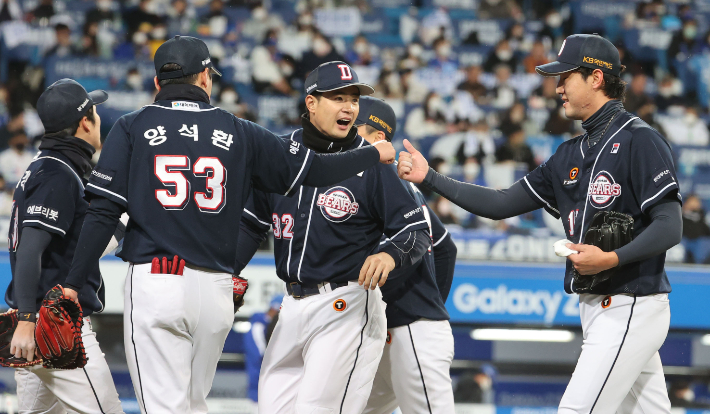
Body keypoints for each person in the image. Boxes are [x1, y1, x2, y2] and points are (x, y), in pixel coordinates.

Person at [64, 38, 396, 414]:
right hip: (215, 291)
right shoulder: (240, 130)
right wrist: (371, 153)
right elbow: (316, 169)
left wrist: (74, 283)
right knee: (194, 404)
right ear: (205, 78)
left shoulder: (131, 126)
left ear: (158, 83)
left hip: (157, 282)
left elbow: (103, 211)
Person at [398, 34, 682, 414]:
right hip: (598, 306)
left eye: (566, 77)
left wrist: (611, 259)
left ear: (596, 78)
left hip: (631, 301)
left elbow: (670, 224)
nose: (557, 87)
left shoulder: (639, 140)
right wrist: (429, 177)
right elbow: (500, 204)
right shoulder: (568, 153)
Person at [235, 61, 430, 414]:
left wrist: (390, 254)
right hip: (290, 306)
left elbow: (415, 230)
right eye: (337, 97)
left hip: (346, 303)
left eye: (354, 99)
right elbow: (251, 224)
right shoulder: (281, 153)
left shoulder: (373, 162)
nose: (349, 107)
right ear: (311, 103)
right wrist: (229, 270)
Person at [6, 79, 124, 413]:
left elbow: (75, 242)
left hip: (38, 323)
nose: (99, 118)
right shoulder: (57, 171)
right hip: (54, 324)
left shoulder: (53, 166)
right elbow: (30, 249)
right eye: (95, 112)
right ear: (85, 121)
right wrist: (29, 319)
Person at [356, 96, 458, 414]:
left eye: (353, 128)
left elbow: (444, 249)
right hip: (385, 330)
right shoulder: (395, 185)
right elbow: (445, 248)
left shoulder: (386, 182)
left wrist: (425, 312)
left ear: (378, 138)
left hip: (412, 329)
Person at [244, 295, 283, 402]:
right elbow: (260, 356)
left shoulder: (270, 325)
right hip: (259, 387)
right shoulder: (258, 326)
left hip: (271, 386)